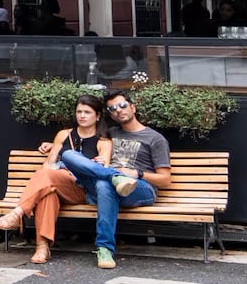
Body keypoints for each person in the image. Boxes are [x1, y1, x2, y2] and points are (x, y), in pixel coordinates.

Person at [57, 89, 172, 271]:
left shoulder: (155, 139)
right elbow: (82, 142)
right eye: (112, 109)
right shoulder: (109, 133)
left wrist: (137, 173)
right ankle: (114, 177)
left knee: (104, 184)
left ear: (133, 107)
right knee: (69, 155)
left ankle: (104, 248)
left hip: (139, 188)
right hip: (106, 183)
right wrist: (51, 145)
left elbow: (165, 180)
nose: (118, 110)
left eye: (122, 105)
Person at [0, 93, 108, 264]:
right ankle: (42, 247)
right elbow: (49, 164)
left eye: (87, 112)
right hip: (57, 183)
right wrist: (54, 171)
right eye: (79, 111)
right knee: (47, 194)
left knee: (47, 177)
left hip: (82, 188)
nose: (82, 116)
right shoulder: (64, 135)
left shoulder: (103, 140)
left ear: (97, 116)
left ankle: (18, 212)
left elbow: (103, 170)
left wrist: (97, 162)